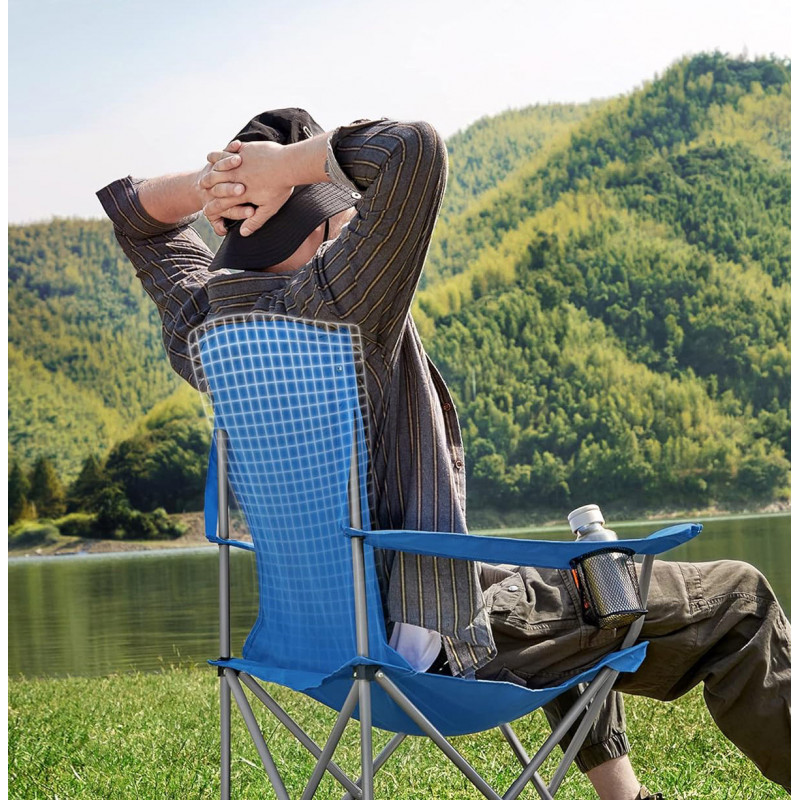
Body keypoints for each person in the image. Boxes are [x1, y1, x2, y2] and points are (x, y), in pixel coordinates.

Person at [97, 109, 790, 798]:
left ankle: (624, 797)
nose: (355, 219)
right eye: (341, 208)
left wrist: (212, 184)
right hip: (437, 649)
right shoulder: (338, 304)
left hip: (325, 654)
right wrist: (280, 169)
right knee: (740, 596)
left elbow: (137, 221)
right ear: (316, 222)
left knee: (563, 579)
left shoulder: (206, 329)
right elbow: (412, 148)